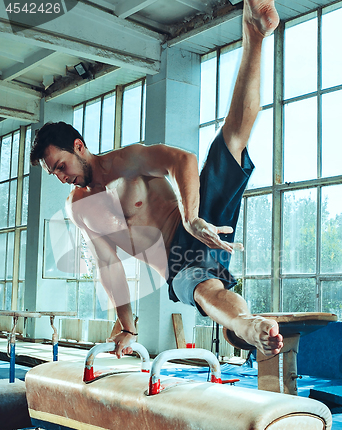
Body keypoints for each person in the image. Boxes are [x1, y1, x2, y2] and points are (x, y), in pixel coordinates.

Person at [30, 0, 283, 359]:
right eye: (53, 172)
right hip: (176, 260)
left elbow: (183, 161)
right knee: (202, 286)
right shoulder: (81, 208)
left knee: (230, 144)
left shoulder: (128, 160)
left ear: (78, 146)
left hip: (194, 218)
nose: (60, 177)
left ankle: (254, 33)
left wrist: (193, 216)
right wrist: (128, 326)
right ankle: (248, 324)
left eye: (59, 166)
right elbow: (109, 267)